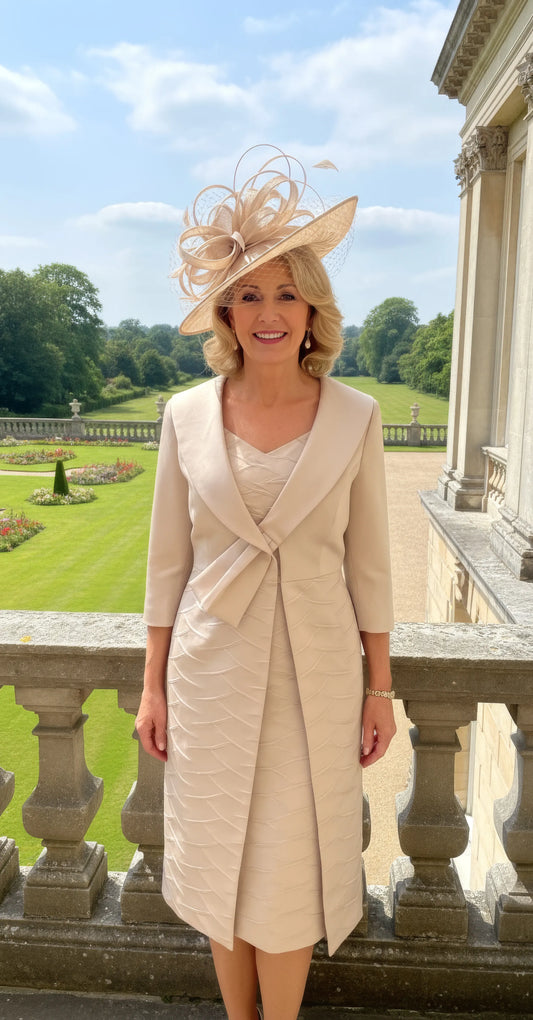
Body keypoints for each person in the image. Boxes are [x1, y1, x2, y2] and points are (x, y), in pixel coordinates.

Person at [136, 146, 396, 1020]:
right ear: (225, 313)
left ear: (313, 308)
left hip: (315, 675)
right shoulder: (185, 415)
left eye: (286, 293)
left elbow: (369, 566)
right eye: (247, 295)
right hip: (208, 670)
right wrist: (152, 686)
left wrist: (379, 688)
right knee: (220, 862)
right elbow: (167, 564)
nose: (268, 312)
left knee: (286, 871)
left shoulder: (356, 416)